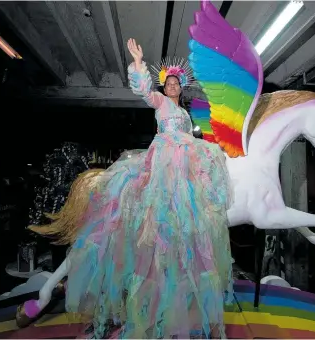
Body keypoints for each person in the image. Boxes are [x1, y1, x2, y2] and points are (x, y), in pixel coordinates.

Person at [62, 38, 235, 339]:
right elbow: (143, 90)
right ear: (164, 88)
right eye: (167, 84)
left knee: (192, 204)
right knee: (152, 209)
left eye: (175, 85)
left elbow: (191, 142)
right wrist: (139, 62)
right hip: (164, 164)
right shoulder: (160, 102)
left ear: (181, 88)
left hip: (183, 165)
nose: (171, 88)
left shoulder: (184, 115)